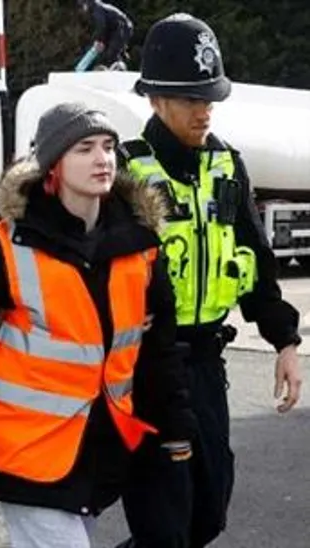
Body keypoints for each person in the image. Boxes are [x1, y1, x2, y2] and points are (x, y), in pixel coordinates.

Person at [0, 102, 198, 548]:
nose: (102, 159)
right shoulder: (5, 247)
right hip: (26, 453)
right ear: (52, 167)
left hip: (98, 452)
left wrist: (175, 425)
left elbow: (157, 350)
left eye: (108, 147)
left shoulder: (140, 247)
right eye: (84, 148)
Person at [116, 13, 302, 548]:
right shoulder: (126, 173)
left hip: (205, 365)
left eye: (209, 97)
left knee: (209, 514)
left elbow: (256, 262)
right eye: (191, 99)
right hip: (147, 368)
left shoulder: (228, 167)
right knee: (163, 523)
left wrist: (285, 341)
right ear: (155, 100)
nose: (205, 110)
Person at [79, 0, 133, 70]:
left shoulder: (97, 9)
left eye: (83, 5)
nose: (83, 8)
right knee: (107, 51)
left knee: (112, 52)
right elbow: (105, 27)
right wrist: (101, 41)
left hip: (122, 27)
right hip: (116, 28)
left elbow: (102, 26)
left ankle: (118, 69)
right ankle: (117, 63)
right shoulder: (97, 8)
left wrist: (98, 40)